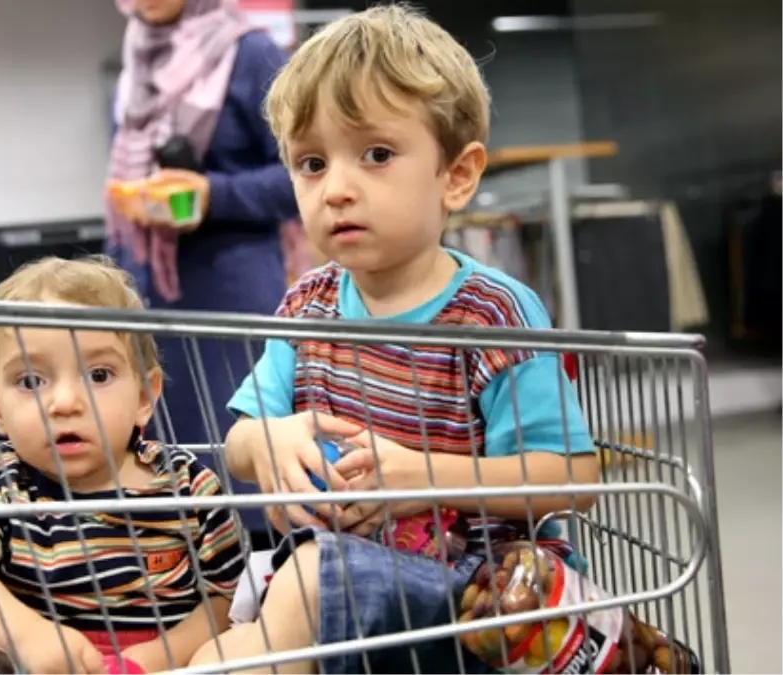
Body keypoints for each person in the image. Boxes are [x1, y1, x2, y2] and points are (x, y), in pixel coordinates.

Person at [188, 6, 600, 674]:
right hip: (351, 588)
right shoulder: (307, 305)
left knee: (304, 586)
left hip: (485, 605)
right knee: (221, 642)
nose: (337, 189)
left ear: (456, 176)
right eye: (311, 163)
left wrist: (423, 475)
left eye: (375, 154)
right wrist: (269, 437)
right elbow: (238, 440)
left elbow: (570, 479)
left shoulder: (490, 315)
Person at [0, 256, 245, 674]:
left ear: (145, 396)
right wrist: (31, 638)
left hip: (162, 664)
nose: (65, 404)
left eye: (98, 375)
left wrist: (145, 661)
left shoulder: (186, 485)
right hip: (36, 664)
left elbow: (228, 597)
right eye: (31, 381)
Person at [104, 0, 299, 547]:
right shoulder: (136, 57)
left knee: (245, 462)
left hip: (233, 297)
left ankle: (271, 595)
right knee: (174, 476)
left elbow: (303, 173)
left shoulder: (251, 52)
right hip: (154, 296)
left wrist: (212, 196)